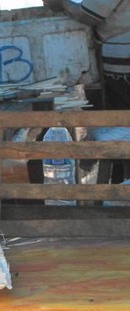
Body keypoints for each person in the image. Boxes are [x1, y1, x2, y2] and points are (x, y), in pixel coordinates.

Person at [44, 0, 130, 181]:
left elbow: (89, 14)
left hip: (122, 69)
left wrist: (62, 4)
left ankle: (118, 188)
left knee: (118, 126)